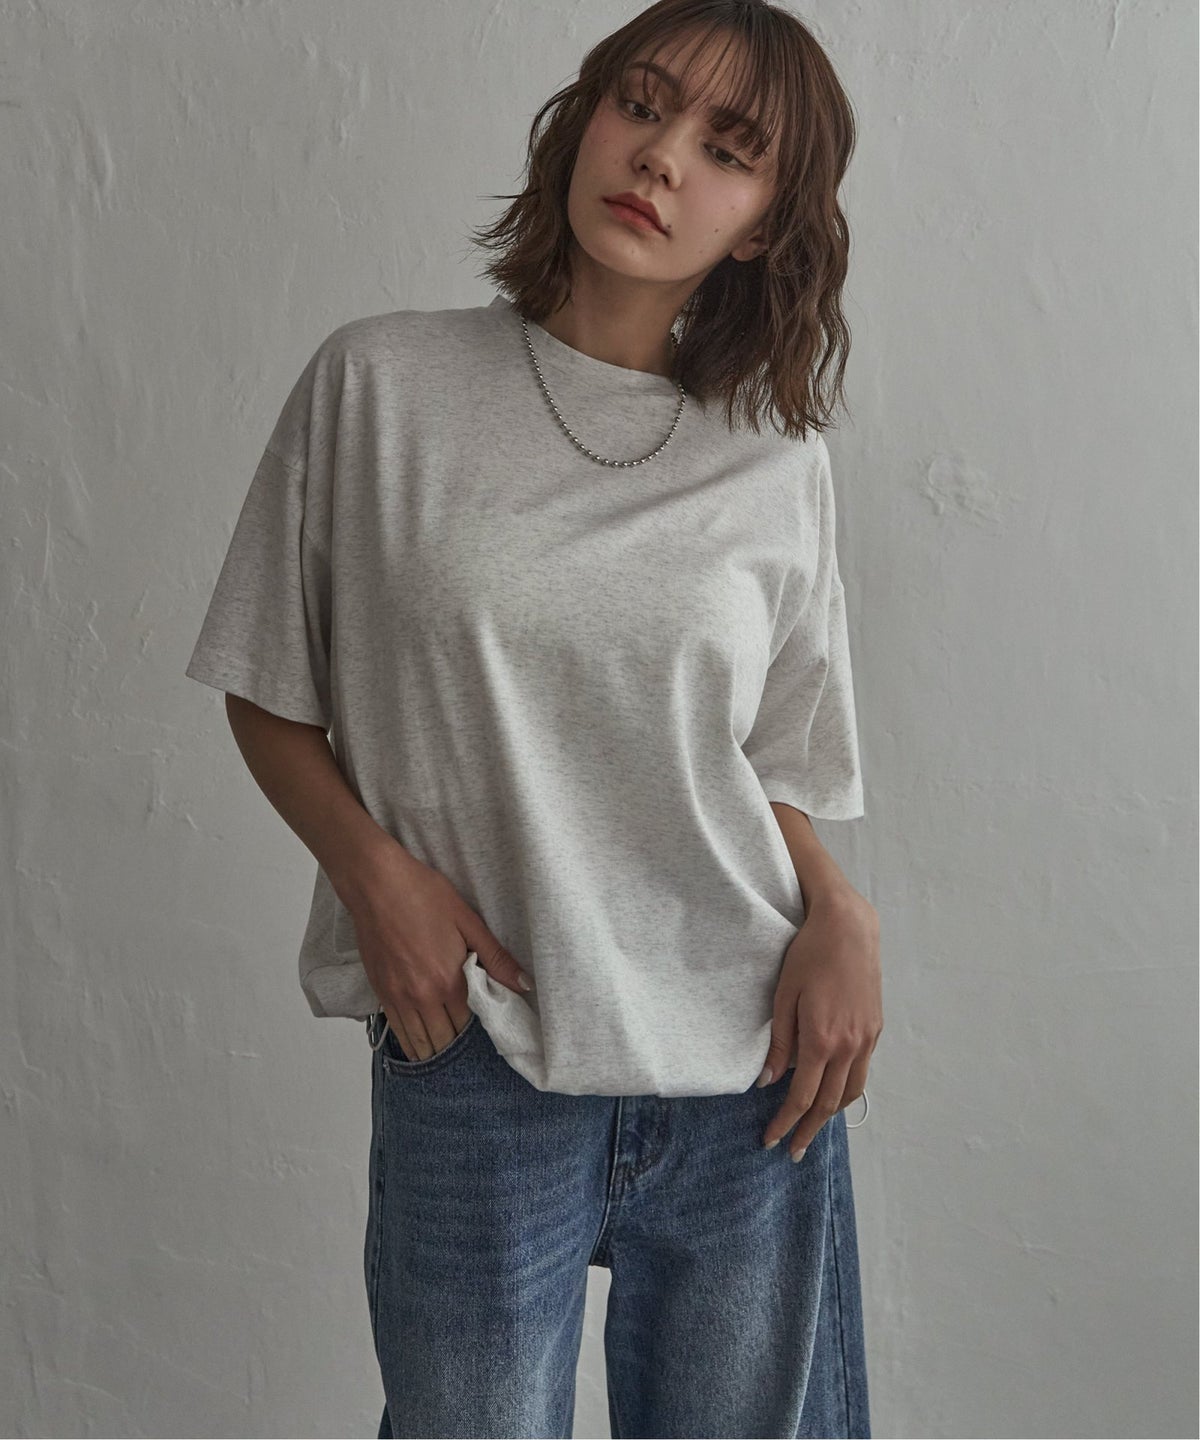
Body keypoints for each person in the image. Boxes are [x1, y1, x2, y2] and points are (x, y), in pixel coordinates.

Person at [185, 0, 882, 1434]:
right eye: (643, 105)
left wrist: (843, 915)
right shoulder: (380, 384)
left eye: (729, 149)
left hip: (745, 1069)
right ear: (584, 120)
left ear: (765, 225)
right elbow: (268, 683)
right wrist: (377, 882)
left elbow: (770, 767)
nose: (662, 158)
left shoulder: (776, 467)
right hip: (483, 1046)